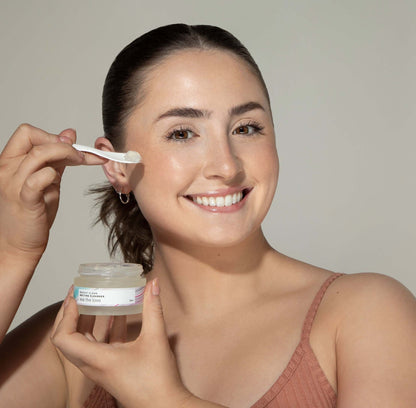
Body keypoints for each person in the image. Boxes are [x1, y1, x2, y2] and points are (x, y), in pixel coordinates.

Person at [0, 23, 415, 408]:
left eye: (246, 128)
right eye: (183, 133)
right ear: (117, 166)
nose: (227, 166)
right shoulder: (77, 340)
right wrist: (14, 251)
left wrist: (162, 398)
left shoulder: (366, 315)